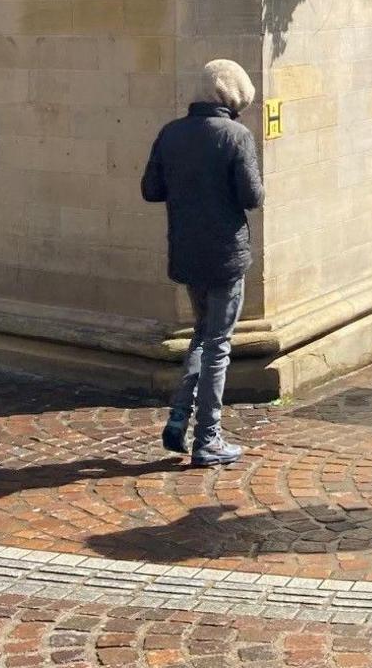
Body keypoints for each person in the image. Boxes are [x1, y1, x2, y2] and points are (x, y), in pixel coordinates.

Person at [143, 59, 265, 468]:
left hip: (187, 251)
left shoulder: (171, 133)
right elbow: (252, 197)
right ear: (232, 99)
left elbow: (150, 189)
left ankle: (179, 417)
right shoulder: (236, 136)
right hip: (226, 255)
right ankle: (207, 437)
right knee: (218, 345)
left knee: (200, 334)